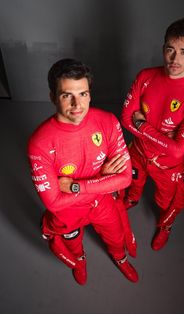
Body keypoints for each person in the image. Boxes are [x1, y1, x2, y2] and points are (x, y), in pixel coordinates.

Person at [27, 58, 138, 285]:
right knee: (73, 245)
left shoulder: (107, 122)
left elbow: (125, 178)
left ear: (89, 93)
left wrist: (76, 185)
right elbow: (55, 204)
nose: (77, 104)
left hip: (100, 201)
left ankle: (120, 259)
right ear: (52, 97)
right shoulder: (39, 143)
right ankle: (80, 262)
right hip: (68, 212)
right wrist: (103, 179)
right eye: (67, 95)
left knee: (116, 238)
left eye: (83, 94)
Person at [120, 17, 184, 251]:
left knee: (168, 203)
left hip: (168, 166)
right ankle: (132, 198)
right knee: (133, 182)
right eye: (170, 49)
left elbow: (179, 149)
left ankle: (165, 227)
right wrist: (162, 137)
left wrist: (141, 126)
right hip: (138, 152)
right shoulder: (145, 77)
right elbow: (125, 118)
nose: (175, 58)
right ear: (163, 49)